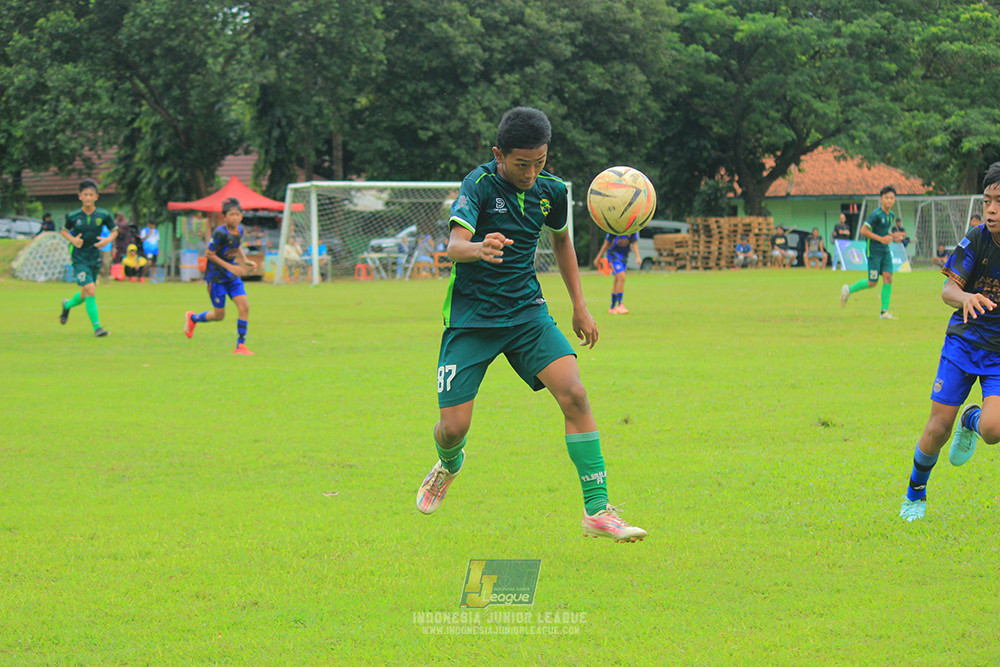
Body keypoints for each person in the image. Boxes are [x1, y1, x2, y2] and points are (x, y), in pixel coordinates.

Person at [414, 106, 646, 543]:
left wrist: (580, 305)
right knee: (453, 428)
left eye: (539, 162)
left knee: (574, 393)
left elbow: (562, 242)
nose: (531, 172)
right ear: (499, 154)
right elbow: (454, 246)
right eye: (522, 164)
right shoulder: (478, 184)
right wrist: (480, 246)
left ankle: (598, 511)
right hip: (472, 320)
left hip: (526, 313)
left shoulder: (552, 191)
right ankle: (449, 462)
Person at [899, 161, 1000, 522]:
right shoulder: (976, 239)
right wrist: (966, 298)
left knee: (993, 430)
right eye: (988, 201)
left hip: (998, 355)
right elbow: (948, 290)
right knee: (938, 427)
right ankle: (915, 492)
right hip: (964, 344)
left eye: (999, 202)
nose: (991, 209)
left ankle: (972, 419)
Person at [183, 197, 257, 355]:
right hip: (216, 278)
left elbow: (237, 246)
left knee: (245, 307)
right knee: (219, 315)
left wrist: (244, 260)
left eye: (238, 214)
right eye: (231, 215)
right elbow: (209, 254)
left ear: (242, 216)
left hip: (231, 277)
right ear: (224, 217)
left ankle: (240, 346)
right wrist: (230, 266)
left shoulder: (240, 230)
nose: (235, 217)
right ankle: (193, 318)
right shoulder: (219, 233)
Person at [59, 178, 116, 337]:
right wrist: (73, 240)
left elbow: (114, 231)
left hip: (94, 256)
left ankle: (68, 305)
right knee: (91, 289)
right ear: (80, 196)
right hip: (79, 257)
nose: (88, 197)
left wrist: (107, 240)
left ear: (96, 197)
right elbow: (64, 231)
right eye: (85, 195)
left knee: (86, 292)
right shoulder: (73, 216)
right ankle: (97, 328)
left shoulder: (103, 214)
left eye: (91, 194)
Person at [840, 185, 902, 319]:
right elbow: (864, 231)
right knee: (872, 282)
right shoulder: (876, 215)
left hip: (885, 251)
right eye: (886, 198)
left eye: (892, 198)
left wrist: (893, 236)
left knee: (888, 278)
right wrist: (881, 239)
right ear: (881, 199)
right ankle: (848, 290)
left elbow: (884, 231)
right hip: (874, 252)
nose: (889, 200)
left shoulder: (891, 216)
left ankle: (884, 312)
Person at [593, 232, 640, 313]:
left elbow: (634, 243)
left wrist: (638, 256)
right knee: (621, 277)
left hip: (624, 257)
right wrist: (598, 258)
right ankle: (620, 305)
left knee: (617, 280)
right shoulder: (614, 228)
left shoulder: (632, 229)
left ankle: (612, 307)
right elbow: (606, 244)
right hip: (613, 256)